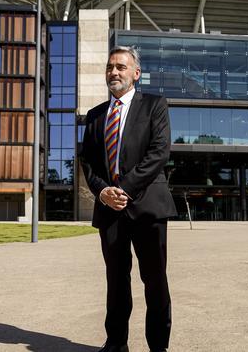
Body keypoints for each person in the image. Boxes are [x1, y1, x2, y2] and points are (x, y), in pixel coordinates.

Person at [79, 46, 176, 352]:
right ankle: (116, 343)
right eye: (110, 67)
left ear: (136, 73)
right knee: (116, 282)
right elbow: (88, 163)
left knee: (155, 280)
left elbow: (159, 152)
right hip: (110, 210)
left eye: (121, 67)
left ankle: (158, 346)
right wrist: (103, 191)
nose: (114, 72)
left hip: (148, 207)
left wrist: (125, 188)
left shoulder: (154, 105)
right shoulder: (95, 116)